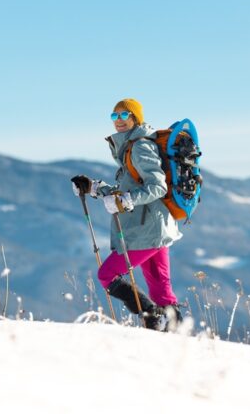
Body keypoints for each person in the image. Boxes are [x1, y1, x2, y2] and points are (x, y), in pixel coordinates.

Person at [71, 98, 182, 330]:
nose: (119, 121)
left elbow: (157, 187)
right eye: (115, 116)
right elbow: (126, 190)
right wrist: (93, 187)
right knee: (162, 290)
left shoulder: (140, 146)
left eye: (124, 115)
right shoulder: (128, 148)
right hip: (154, 227)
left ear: (135, 118)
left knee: (107, 275)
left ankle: (153, 316)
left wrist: (127, 200)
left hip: (147, 229)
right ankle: (174, 335)